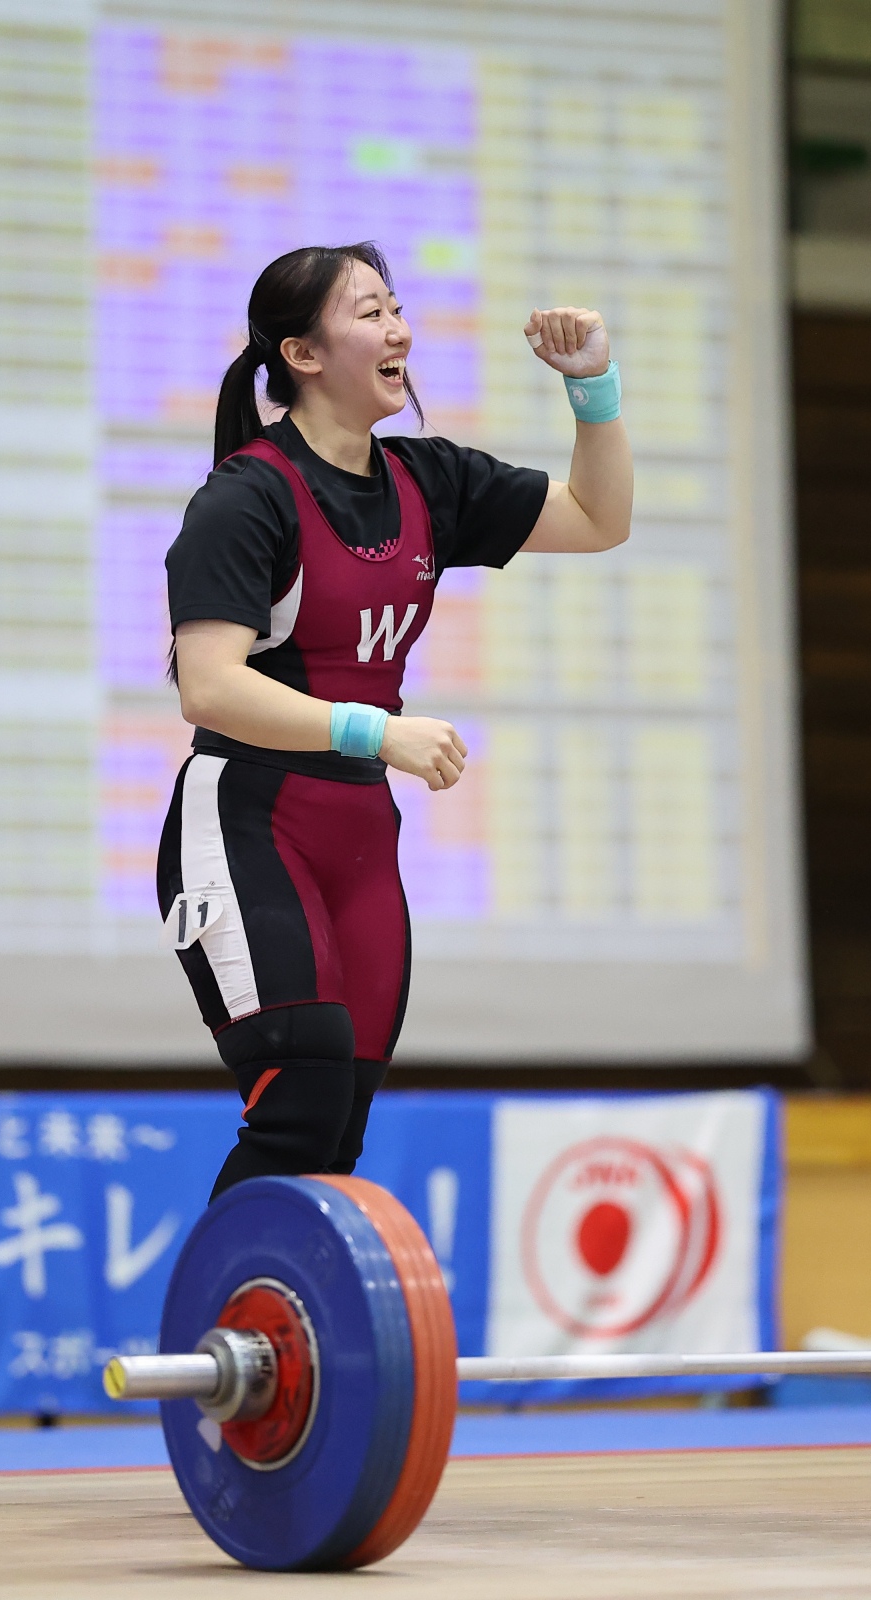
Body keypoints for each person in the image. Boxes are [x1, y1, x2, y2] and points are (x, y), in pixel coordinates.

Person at [160, 241, 632, 1200]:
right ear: (302, 355)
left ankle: (287, 1306)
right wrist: (377, 732)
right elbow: (208, 688)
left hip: (360, 839)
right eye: (370, 313)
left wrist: (593, 389)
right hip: (249, 822)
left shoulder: (428, 479)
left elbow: (598, 518)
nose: (399, 332)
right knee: (300, 1098)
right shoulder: (247, 497)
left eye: (397, 308)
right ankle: (221, 1303)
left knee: (337, 1130)